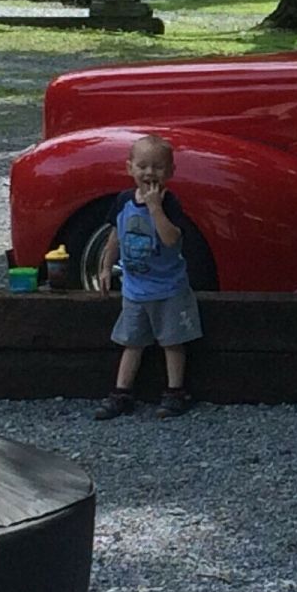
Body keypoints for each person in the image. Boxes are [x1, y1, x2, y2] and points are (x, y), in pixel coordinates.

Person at [93, 134, 203, 420]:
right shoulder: (123, 201)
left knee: (172, 342)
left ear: (170, 172)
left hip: (168, 289)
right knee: (132, 341)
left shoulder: (169, 203)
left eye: (157, 167)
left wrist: (155, 207)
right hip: (135, 290)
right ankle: (121, 392)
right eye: (142, 166)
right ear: (129, 168)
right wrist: (106, 267)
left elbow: (171, 239)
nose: (149, 173)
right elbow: (115, 237)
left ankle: (175, 391)